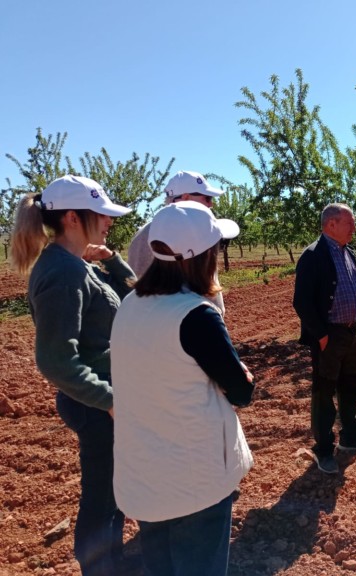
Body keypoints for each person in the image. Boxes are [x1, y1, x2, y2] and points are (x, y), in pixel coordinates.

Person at [111, 201, 253, 576]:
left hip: (144, 478)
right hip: (194, 484)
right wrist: (242, 374)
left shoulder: (129, 306)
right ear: (203, 256)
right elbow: (240, 392)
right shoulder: (196, 315)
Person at [10, 175, 134, 575]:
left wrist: (112, 259)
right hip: (95, 406)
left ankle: (111, 562)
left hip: (106, 402)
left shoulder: (78, 265)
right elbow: (56, 361)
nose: (108, 221)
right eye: (100, 214)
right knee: (101, 496)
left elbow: (135, 298)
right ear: (72, 218)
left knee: (114, 492)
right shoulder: (63, 274)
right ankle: (100, 569)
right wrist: (109, 400)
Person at [293, 203, 356, 474]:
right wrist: (320, 336)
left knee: (353, 386)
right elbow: (302, 302)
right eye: (350, 223)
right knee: (324, 393)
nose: (354, 228)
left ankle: (352, 438)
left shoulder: (348, 252)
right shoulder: (313, 256)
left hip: (354, 332)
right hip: (330, 336)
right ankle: (323, 450)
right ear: (331, 224)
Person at [128, 170, 227, 313]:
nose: (211, 204)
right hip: (190, 323)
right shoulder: (150, 234)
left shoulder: (146, 232)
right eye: (207, 198)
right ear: (185, 198)